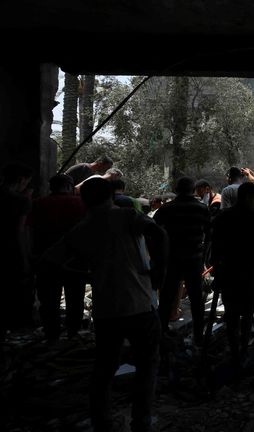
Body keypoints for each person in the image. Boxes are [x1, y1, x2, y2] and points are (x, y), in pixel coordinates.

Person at [42, 177, 168, 432]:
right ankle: (141, 421)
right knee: (147, 365)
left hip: (107, 311)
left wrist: (88, 275)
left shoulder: (83, 228)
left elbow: (49, 261)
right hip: (140, 304)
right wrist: (159, 271)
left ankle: (102, 422)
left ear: (85, 200)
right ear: (111, 196)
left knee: (104, 369)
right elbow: (160, 233)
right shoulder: (127, 216)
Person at [210, 182, 254, 365]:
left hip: (228, 271)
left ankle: (234, 349)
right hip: (248, 270)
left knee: (231, 313)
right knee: (247, 313)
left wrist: (216, 266)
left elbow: (214, 243)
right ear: (248, 197)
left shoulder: (225, 216)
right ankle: (243, 349)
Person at [27, 174, 87, 341]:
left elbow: (29, 231)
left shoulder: (38, 204)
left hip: (45, 259)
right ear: (69, 186)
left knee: (49, 300)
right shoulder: (81, 203)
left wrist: (30, 255)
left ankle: (51, 334)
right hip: (75, 260)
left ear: (51, 187)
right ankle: (73, 333)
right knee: (75, 299)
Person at [153, 177, 211, 344]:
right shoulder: (201, 208)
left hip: (172, 260)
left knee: (166, 297)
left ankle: (162, 332)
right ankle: (199, 335)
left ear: (177, 190)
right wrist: (203, 255)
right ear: (193, 190)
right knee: (196, 298)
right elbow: (209, 234)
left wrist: (160, 255)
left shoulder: (167, 209)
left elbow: (154, 231)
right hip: (194, 260)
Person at [0, 163, 34, 336]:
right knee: (14, 290)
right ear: (21, 179)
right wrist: (26, 257)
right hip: (12, 251)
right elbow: (21, 231)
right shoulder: (21, 201)